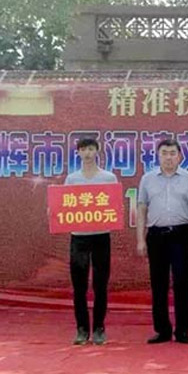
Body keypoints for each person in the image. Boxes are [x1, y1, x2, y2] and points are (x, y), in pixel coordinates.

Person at [136, 139, 188, 344]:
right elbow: (141, 209)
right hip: (156, 236)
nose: (169, 157)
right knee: (158, 284)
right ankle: (162, 330)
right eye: (164, 153)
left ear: (180, 156)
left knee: (182, 282)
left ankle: (183, 330)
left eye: (173, 153)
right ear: (158, 155)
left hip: (181, 234)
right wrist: (140, 239)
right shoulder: (147, 179)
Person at [65, 138, 118, 345]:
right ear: (78, 153)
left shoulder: (108, 178)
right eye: (83, 150)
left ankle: (99, 328)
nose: (87, 153)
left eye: (90, 149)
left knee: (100, 284)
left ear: (97, 151)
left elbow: (114, 205)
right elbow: (64, 205)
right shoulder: (72, 179)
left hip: (101, 236)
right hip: (79, 237)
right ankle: (81, 329)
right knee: (79, 286)